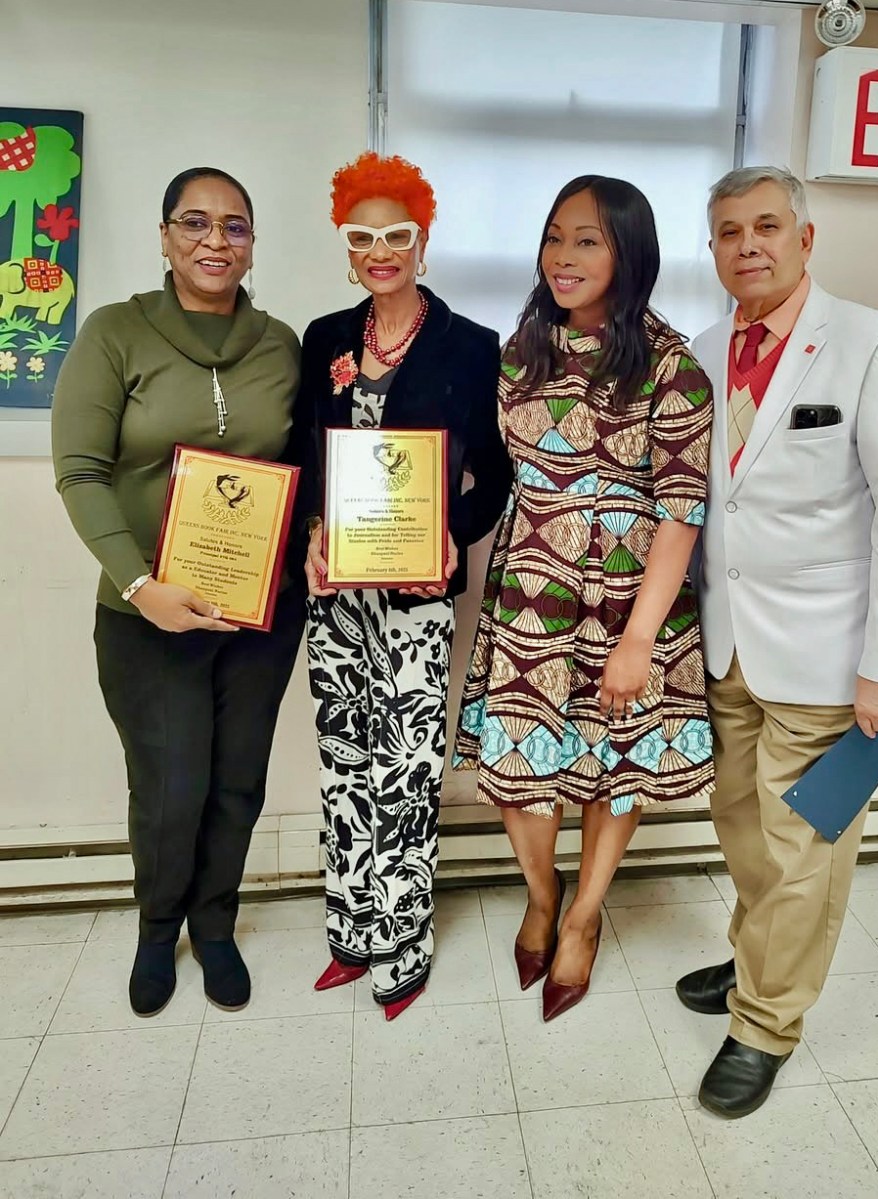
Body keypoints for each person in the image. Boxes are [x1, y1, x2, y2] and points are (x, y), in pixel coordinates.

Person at [677, 166, 878, 1118]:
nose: (748, 245)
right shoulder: (705, 350)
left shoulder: (874, 344)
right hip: (730, 647)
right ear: (712, 250)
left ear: (805, 237)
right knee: (743, 828)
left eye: (767, 227)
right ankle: (759, 953)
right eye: (728, 232)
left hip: (833, 661)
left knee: (805, 849)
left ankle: (765, 1022)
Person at [454, 176, 715, 1022]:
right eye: (554, 237)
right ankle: (542, 890)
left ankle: (585, 916)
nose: (563, 258)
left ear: (629, 253)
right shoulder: (521, 348)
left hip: (631, 602)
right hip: (531, 594)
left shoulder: (672, 364)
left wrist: (639, 640)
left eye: (588, 242)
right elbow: (492, 472)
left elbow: (682, 513)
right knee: (518, 774)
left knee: (613, 774)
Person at [52, 168, 304, 1016]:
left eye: (235, 226)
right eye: (194, 223)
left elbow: (296, 470)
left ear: (252, 243)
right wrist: (141, 582)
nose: (214, 241)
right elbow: (80, 473)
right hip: (144, 613)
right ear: (164, 236)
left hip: (257, 615)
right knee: (169, 784)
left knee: (238, 778)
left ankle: (217, 923)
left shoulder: (281, 343)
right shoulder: (115, 333)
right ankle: (159, 930)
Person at [295, 152, 511, 1020]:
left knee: (407, 766)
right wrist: (313, 526)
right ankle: (351, 930)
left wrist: (452, 543)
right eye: (364, 237)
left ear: (423, 242)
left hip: (420, 593)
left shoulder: (472, 347)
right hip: (333, 589)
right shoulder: (322, 340)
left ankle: (405, 942)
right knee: (346, 755)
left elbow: (495, 476)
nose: (381, 250)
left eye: (398, 235)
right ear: (347, 248)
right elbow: (301, 456)